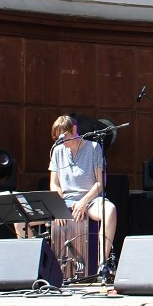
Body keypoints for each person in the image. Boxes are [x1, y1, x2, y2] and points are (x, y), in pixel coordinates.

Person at [49, 114, 118, 282]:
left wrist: (83, 202)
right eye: (57, 138)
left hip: (89, 200)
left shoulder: (94, 148)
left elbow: (100, 183)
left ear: (74, 130)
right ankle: (38, 266)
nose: (61, 141)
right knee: (22, 218)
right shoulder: (58, 151)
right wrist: (58, 207)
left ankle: (102, 264)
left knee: (110, 211)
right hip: (64, 201)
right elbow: (54, 185)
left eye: (64, 136)